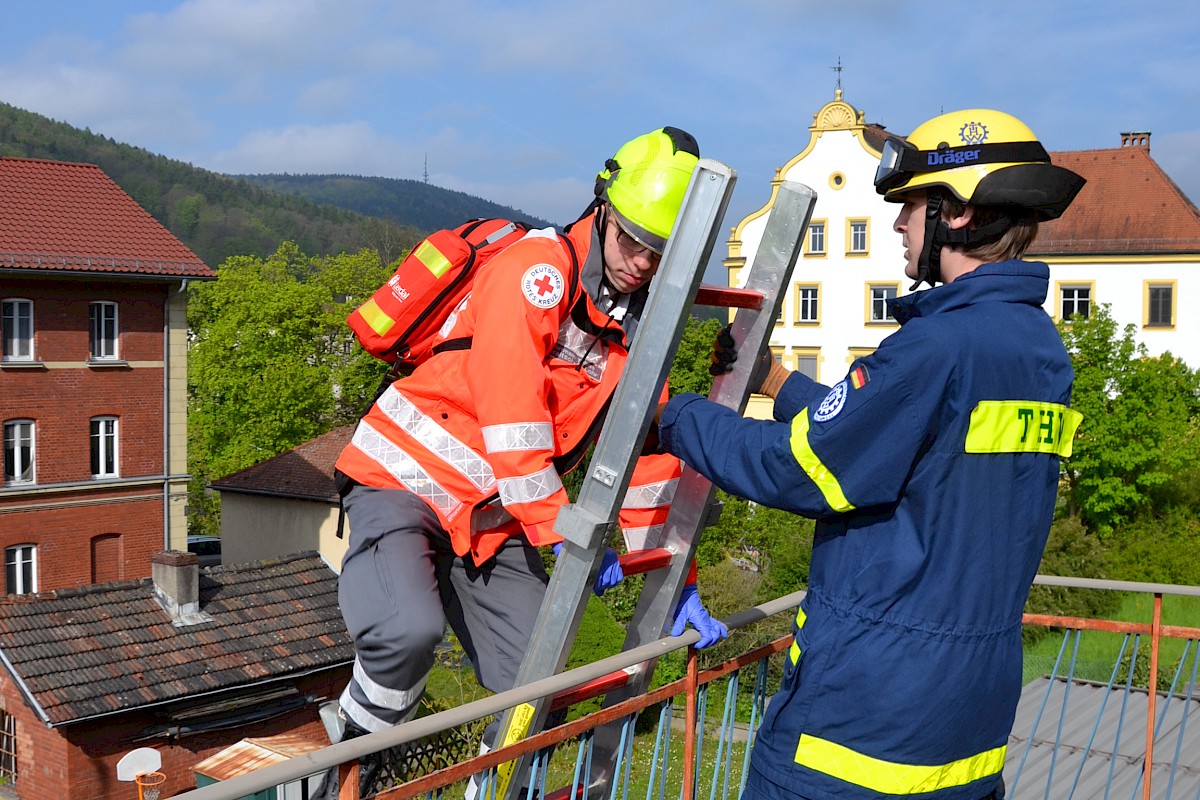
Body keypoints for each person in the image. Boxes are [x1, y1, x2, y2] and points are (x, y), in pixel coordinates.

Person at [656, 109, 1086, 800]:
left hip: (858, 732)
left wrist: (674, 415)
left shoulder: (936, 346)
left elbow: (791, 468)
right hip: (967, 728)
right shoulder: (1035, 347)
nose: (896, 226)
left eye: (911, 207)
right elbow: (902, 438)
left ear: (959, 214)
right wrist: (775, 383)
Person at [322, 126, 728, 796]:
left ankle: (497, 789)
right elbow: (512, 420)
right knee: (406, 633)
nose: (641, 264)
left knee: (538, 675)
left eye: (659, 253)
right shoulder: (537, 271)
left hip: (494, 514)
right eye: (632, 241)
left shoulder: (635, 323)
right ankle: (349, 769)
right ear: (602, 207)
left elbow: (640, 452)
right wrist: (567, 532)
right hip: (403, 479)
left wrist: (674, 580)